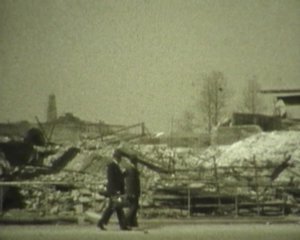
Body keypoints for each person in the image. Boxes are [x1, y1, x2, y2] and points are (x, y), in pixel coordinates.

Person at [97, 149, 130, 231]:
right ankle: (101, 222)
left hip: (115, 190)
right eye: (120, 158)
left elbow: (117, 178)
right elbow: (112, 179)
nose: (120, 159)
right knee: (112, 207)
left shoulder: (114, 166)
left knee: (117, 207)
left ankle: (123, 225)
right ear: (117, 158)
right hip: (114, 190)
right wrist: (116, 190)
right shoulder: (112, 166)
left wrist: (123, 175)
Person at [123, 155, 141, 227]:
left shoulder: (128, 169)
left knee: (132, 206)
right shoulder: (132, 171)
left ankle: (131, 222)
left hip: (129, 191)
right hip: (133, 191)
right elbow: (133, 183)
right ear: (135, 162)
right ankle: (125, 221)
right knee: (134, 207)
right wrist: (135, 192)